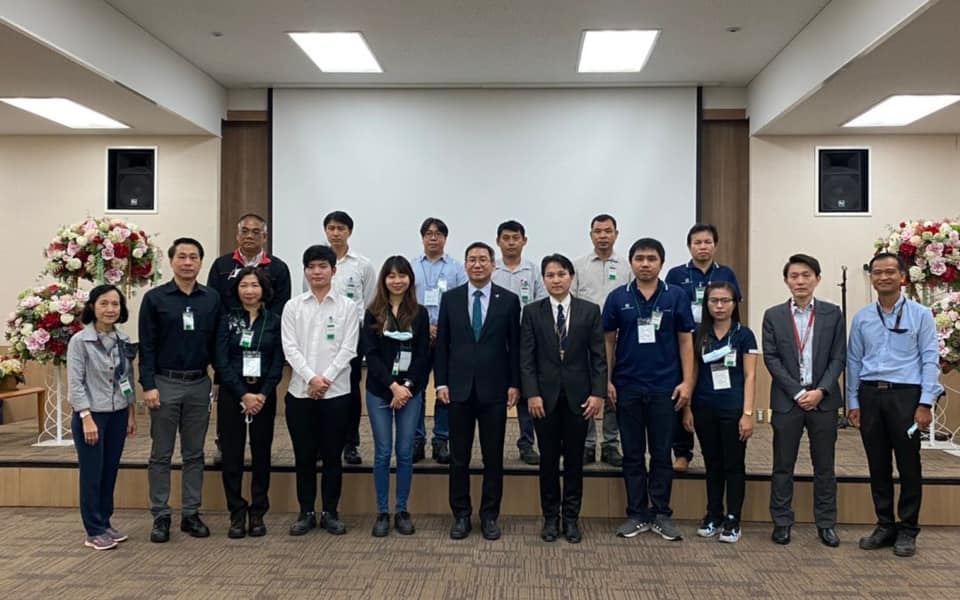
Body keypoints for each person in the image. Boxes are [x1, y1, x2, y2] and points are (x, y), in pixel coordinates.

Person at [847, 253, 943, 557]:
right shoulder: (862, 317)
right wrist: (853, 401)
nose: (883, 277)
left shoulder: (921, 315)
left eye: (890, 272)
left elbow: (930, 359)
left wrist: (926, 403)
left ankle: (908, 528)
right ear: (871, 278)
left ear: (902, 276)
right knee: (877, 464)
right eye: (877, 272)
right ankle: (885, 525)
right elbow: (853, 361)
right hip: (870, 396)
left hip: (906, 397)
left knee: (909, 464)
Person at [603, 238, 694, 542]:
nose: (645, 264)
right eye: (639, 258)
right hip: (627, 386)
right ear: (630, 262)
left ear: (661, 263)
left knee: (661, 454)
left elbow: (686, 341)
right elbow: (608, 341)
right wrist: (607, 380)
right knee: (631, 454)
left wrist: (687, 382)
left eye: (651, 258)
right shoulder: (618, 297)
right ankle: (637, 513)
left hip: (665, 388)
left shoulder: (676, 296)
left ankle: (661, 514)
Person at [435, 241, 521, 541]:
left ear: (493, 265)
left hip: (495, 390)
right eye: (472, 259)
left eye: (483, 259)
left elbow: (514, 347)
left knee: (493, 457)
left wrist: (514, 384)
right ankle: (460, 515)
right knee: (458, 457)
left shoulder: (509, 300)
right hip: (457, 390)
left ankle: (489, 516)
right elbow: (442, 345)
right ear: (465, 265)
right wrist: (441, 382)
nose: (477, 264)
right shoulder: (451, 299)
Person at [520, 254, 606, 543]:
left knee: (574, 461)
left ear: (571, 277)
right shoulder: (532, 312)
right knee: (547, 462)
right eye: (550, 275)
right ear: (543, 279)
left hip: (579, 399)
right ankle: (550, 518)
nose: (556, 280)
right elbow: (526, 358)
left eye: (561, 274)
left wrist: (597, 393)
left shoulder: (589, 311)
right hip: (543, 399)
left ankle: (571, 519)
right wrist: (531, 393)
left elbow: (598, 357)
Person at [139, 237, 221, 543]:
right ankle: (161, 515)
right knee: (161, 454)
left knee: (194, 453)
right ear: (171, 261)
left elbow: (217, 343)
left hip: (199, 383)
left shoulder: (211, 298)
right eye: (182, 257)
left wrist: (218, 379)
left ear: (201, 262)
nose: (188, 262)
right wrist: (148, 385)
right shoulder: (155, 299)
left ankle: (190, 513)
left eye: (194, 257)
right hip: (164, 383)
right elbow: (147, 346)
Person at [762, 253, 845, 548]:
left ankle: (826, 524)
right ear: (786, 281)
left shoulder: (832, 313)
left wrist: (821, 390)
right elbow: (771, 358)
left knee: (825, 466)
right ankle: (782, 522)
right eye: (794, 276)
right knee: (783, 465)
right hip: (788, 402)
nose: (800, 281)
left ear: (817, 279)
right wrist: (798, 392)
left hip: (823, 401)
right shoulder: (773, 315)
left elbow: (838, 357)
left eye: (806, 275)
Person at [281, 244, 359, 536]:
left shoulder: (347, 307)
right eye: (311, 267)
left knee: (332, 456)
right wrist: (311, 379)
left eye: (323, 266)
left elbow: (349, 349)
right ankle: (305, 512)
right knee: (303, 456)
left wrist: (324, 380)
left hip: (336, 394)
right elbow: (290, 348)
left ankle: (330, 512)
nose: (317, 272)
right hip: (300, 393)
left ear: (333, 271)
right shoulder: (293, 307)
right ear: (305, 271)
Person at [206, 213, 291, 465]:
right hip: (230, 346)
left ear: (265, 236)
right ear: (237, 235)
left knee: (261, 430)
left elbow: (281, 307)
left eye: (256, 232)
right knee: (229, 411)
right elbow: (215, 304)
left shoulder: (278, 267)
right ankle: (223, 443)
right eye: (245, 231)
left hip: (264, 347)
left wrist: (260, 328)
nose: (250, 236)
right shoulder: (221, 265)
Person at [361, 256, 431, 537]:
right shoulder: (373, 312)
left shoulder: (420, 313)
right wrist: (393, 386)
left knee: (404, 452)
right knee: (382, 453)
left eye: (402, 275)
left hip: (410, 392)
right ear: (384, 280)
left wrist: (407, 386)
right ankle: (382, 512)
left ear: (410, 279)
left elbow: (424, 355)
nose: (397, 280)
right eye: (391, 276)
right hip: (380, 390)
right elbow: (371, 355)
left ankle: (401, 510)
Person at [682, 282, 757, 544]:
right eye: (714, 301)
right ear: (706, 304)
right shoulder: (699, 334)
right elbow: (692, 373)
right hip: (704, 407)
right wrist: (687, 408)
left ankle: (733, 518)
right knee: (712, 463)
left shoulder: (744, 335)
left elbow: (750, 376)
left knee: (733, 464)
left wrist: (748, 413)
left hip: (733, 408)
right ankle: (714, 513)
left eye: (725, 301)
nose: (720, 306)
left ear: (735, 304)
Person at [214, 267, 285, 538]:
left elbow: (278, 361)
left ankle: (257, 513)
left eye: (255, 285)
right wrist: (243, 394)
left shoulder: (275, 321)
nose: (249, 290)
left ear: (263, 289)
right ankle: (236, 512)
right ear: (236, 289)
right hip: (233, 395)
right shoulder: (227, 320)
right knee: (231, 455)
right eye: (244, 285)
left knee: (261, 454)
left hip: (263, 395)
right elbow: (221, 360)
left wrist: (262, 394)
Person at [665, 223, 742, 473]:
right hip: (684, 341)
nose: (703, 247)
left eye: (708, 242)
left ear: (715, 245)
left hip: (717, 340)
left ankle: (718, 450)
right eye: (697, 242)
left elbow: (735, 309)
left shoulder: (726, 273)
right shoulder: (676, 274)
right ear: (689, 246)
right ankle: (682, 452)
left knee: (714, 391)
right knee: (682, 394)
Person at [67, 285, 137, 551]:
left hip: (118, 413)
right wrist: (86, 417)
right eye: (104, 304)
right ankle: (93, 530)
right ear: (92, 307)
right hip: (91, 415)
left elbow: (127, 379)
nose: (110, 309)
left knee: (110, 471)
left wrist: (130, 413)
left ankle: (105, 522)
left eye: (115, 304)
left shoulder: (123, 339)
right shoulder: (79, 341)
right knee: (92, 473)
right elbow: (76, 384)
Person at [573, 214, 629, 467]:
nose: (603, 236)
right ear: (591, 235)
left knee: (613, 391)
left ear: (616, 234)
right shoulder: (578, 266)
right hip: (585, 339)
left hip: (619, 339)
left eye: (608, 231)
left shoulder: (627, 266)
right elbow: (572, 303)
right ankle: (586, 444)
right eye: (598, 231)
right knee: (587, 390)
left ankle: (610, 443)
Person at [411, 217, 468, 464]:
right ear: (422, 237)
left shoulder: (457, 268)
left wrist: (441, 328)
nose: (433, 238)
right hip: (417, 336)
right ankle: (416, 439)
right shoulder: (411, 266)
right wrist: (425, 326)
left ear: (445, 238)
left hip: (448, 337)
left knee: (445, 389)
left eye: (438, 234)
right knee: (416, 388)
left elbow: (464, 301)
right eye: (428, 233)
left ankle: (441, 439)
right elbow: (405, 300)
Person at [324, 210, 377, 466]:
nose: (336, 233)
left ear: (350, 232)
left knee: (350, 387)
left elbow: (369, 301)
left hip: (353, 337)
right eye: (331, 228)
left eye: (341, 228)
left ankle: (350, 443)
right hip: (321, 337)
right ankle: (324, 442)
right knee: (323, 385)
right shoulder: (317, 262)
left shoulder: (362, 264)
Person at [492, 220, 547, 466]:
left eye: (516, 238)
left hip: (526, 339)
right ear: (498, 241)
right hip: (496, 339)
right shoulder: (492, 269)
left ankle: (526, 442)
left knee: (525, 390)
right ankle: (493, 442)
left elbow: (541, 304)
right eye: (506, 238)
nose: (511, 242)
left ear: (524, 241)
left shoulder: (533, 270)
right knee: (496, 393)